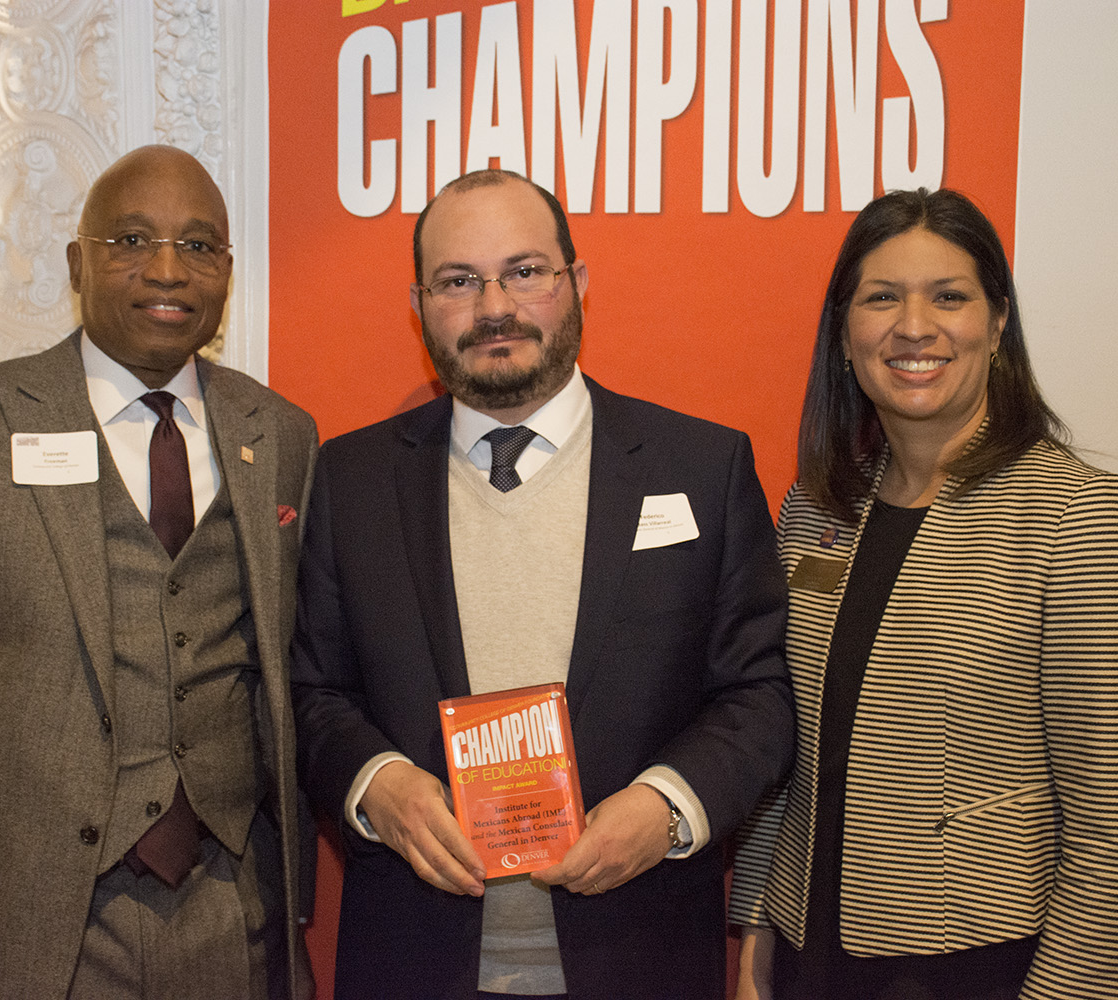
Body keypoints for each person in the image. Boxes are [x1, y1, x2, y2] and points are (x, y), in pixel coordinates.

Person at [290, 168, 795, 1000]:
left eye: (524, 272)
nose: (495, 306)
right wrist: (374, 783)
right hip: (415, 964)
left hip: (640, 955)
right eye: (458, 281)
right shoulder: (350, 480)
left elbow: (759, 693)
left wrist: (667, 807)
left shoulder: (703, 467)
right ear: (418, 307)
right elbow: (312, 692)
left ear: (577, 284)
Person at [0, 145, 317, 1000]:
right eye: (131, 240)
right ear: (77, 263)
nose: (167, 270)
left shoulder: (279, 432)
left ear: (228, 273)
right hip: (14, 915)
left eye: (199, 246)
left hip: (228, 908)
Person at [729, 188, 1118, 1000]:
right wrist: (756, 927)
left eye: (950, 296)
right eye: (882, 297)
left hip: (974, 966)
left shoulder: (1081, 517)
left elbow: (1112, 840)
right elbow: (785, 747)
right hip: (805, 954)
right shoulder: (817, 509)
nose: (915, 326)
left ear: (998, 323)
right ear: (845, 331)